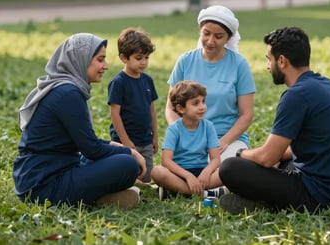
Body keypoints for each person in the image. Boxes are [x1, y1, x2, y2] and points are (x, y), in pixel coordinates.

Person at [218, 26, 330, 215]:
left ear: (282, 61)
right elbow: (298, 148)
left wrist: (239, 153)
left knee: (230, 168)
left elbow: (266, 158)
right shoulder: (328, 85)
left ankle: (266, 205)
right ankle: (263, 200)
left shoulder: (296, 95)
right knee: (282, 162)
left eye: (268, 59)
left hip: (324, 198)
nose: (267, 66)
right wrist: (273, 157)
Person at [13, 33, 146, 210]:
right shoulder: (68, 94)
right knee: (127, 165)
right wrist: (131, 153)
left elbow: (86, 144)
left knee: (116, 157)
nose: (105, 66)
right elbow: (92, 149)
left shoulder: (65, 88)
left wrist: (120, 148)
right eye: (100, 60)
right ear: (81, 59)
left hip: (49, 172)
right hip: (43, 187)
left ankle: (98, 195)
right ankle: (97, 197)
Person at [166, 5, 256, 161]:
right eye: (206, 33)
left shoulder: (239, 65)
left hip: (227, 140)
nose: (210, 41)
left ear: (228, 38)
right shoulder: (185, 61)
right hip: (190, 137)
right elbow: (170, 107)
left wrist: (223, 142)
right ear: (200, 31)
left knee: (226, 169)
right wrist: (182, 135)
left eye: (219, 36)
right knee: (167, 171)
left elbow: (246, 115)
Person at [152, 80, 223, 199]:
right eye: (196, 103)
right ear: (180, 108)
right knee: (157, 172)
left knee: (226, 171)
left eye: (203, 102)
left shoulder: (208, 126)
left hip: (202, 175)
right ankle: (205, 194)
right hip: (179, 173)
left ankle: (177, 191)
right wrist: (188, 176)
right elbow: (166, 161)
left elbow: (216, 159)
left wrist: (206, 172)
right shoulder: (174, 129)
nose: (202, 107)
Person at [108, 28, 158, 184]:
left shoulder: (147, 80)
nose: (143, 62)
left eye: (146, 57)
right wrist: (126, 142)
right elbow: (115, 114)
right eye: (138, 58)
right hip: (126, 142)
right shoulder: (119, 83)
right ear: (124, 58)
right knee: (128, 177)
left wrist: (155, 136)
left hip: (145, 141)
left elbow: (152, 110)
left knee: (147, 178)